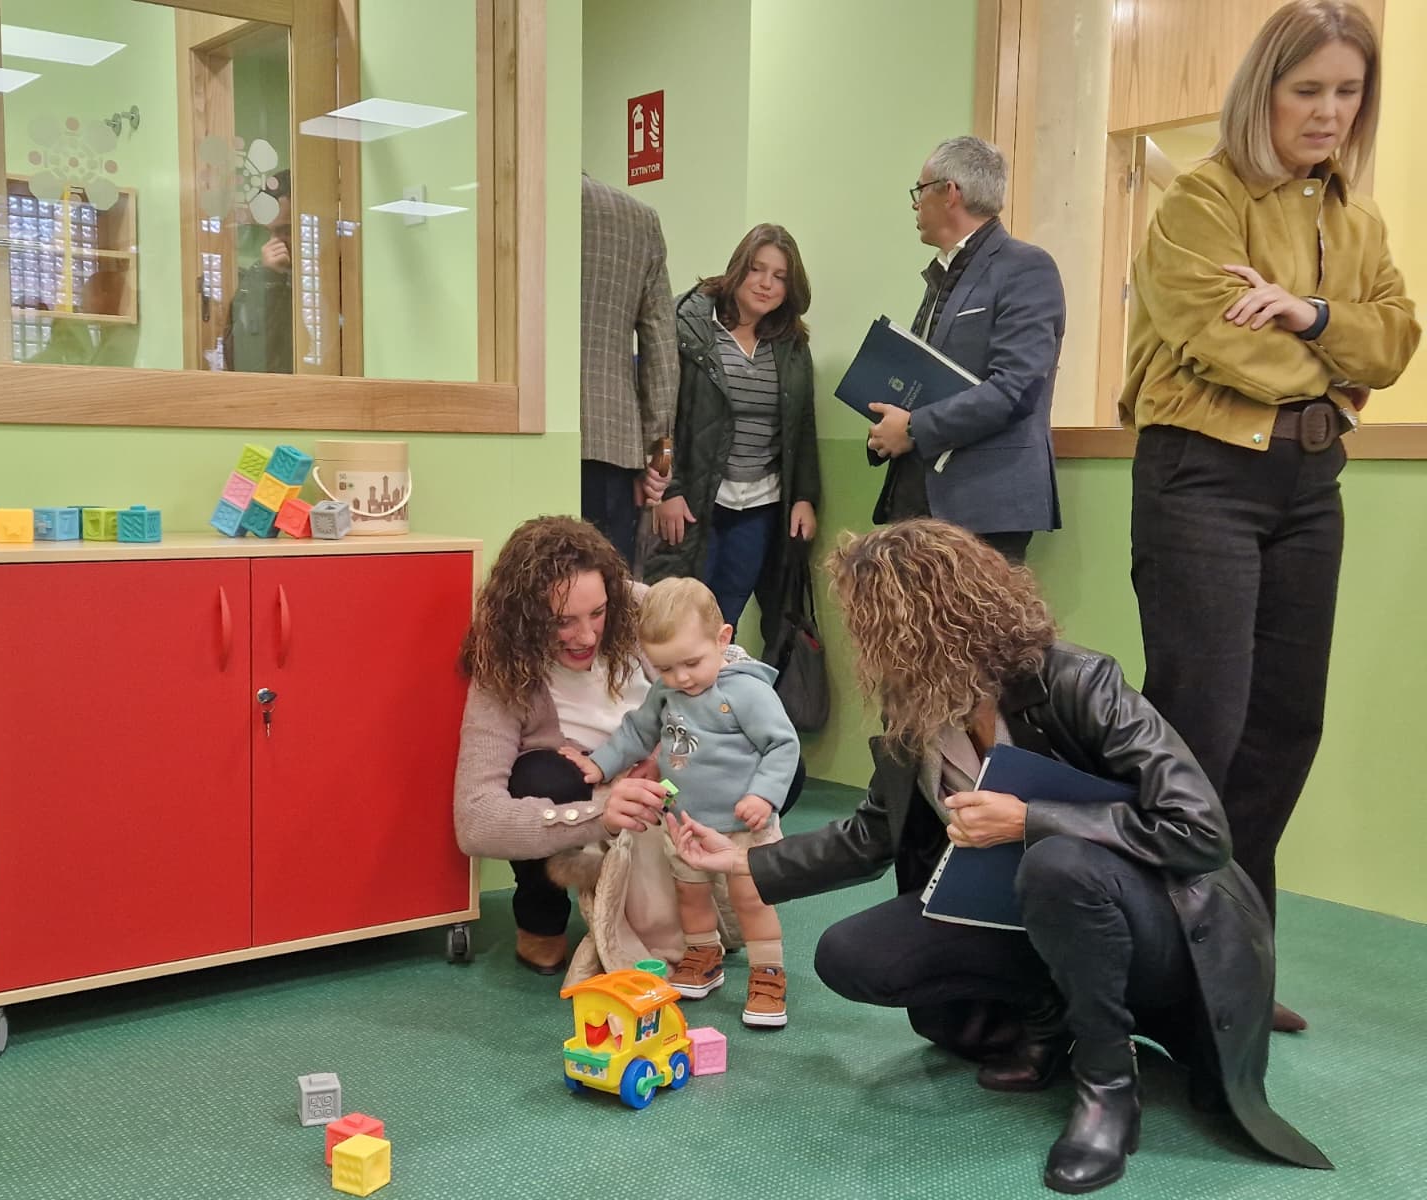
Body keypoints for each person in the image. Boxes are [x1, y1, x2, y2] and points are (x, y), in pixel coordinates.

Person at [670, 521, 1331, 1194]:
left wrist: (1031, 820)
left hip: (1157, 922)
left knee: (1057, 864)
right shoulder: (916, 705)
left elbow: (1199, 831)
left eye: (873, 624)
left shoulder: (1080, 682)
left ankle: (1108, 1086)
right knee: (851, 954)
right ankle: (1050, 1018)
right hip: (1031, 915)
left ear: (932, 620)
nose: (865, 645)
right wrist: (741, 862)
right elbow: (873, 833)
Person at [1120, 0, 1418, 1034]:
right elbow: (1219, 340)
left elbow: (1396, 338)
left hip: (1307, 489)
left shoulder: (1358, 216)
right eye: (1308, 90)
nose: (1329, 112)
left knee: (1285, 728)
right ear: (1262, 91)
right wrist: (1338, 366)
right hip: (1200, 477)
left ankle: (1233, 967)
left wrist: (1311, 314)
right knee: (1199, 730)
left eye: (1347, 92)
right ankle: (1158, 972)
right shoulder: (1199, 200)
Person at [566, 577, 797, 1028]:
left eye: (691, 663)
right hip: (684, 823)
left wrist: (763, 795)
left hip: (741, 826)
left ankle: (768, 973)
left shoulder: (746, 693)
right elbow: (637, 731)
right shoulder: (667, 691)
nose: (681, 678)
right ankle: (702, 955)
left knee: (751, 901)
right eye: (666, 668)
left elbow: (782, 746)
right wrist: (598, 764)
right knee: (690, 895)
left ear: (723, 639)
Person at [866, 136, 1065, 565]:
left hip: (984, 506)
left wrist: (914, 427)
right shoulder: (944, 273)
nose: (916, 205)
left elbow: (1014, 389)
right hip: (920, 499)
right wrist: (888, 424)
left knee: (981, 634)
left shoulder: (1026, 267)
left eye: (920, 191)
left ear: (949, 192)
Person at [643, 224, 820, 644]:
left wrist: (804, 498)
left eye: (779, 276)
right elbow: (658, 411)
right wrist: (666, 490)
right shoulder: (688, 326)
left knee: (726, 620)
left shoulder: (791, 343)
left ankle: (715, 705)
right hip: (694, 501)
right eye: (757, 269)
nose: (766, 284)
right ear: (738, 268)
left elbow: (803, 426)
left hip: (760, 506)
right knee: (676, 619)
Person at [580, 174, 677, 565]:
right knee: (606, 590)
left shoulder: (509, 198)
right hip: (610, 443)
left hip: (512, 433)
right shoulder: (636, 219)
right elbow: (662, 353)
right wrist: (659, 459)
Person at [224, 170, 295, 374]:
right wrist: (270, 279)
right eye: (269, 232)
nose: (274, 244)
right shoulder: (259, 275)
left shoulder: (335, 275)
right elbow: (241, 359)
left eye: (285, 231)